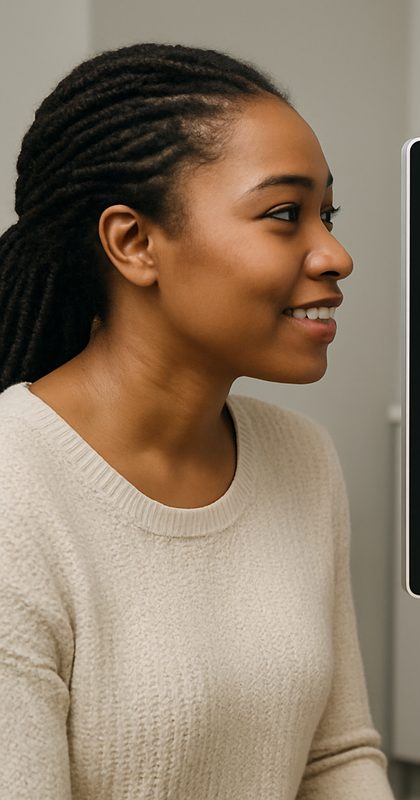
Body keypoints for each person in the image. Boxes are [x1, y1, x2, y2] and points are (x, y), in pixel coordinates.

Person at [0, 44, 394, 797]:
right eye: (285, 215)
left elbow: (336, 759)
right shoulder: (14, 490)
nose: (336, 254)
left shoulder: (301, 457)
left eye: (328, 214)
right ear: (134, 243)